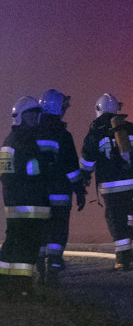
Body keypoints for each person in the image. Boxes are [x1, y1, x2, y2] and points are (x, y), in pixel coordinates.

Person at [79, 93, 133, 270]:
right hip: (132, 182)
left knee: (115, 217)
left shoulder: (96, 133)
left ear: (98, 110)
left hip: (111, 184)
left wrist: (82, 180)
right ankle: (128, 242)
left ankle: (122, 257)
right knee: (127, 209)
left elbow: (87, 161)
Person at [0, 97, 51, 299]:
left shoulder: (10, 141)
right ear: (20, 116)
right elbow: (32, 170)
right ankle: (22, 288)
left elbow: (6, 175)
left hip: (15, 204)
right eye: (30, 114)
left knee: (12, 244)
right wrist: (44, 164)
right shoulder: (25, 141)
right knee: (27, 248)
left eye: (36, 114)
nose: (34, 118)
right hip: (29, 203)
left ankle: (6, 285)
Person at [36, 89, 87, 284]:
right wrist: (80, 191)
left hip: (38, 195)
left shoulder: (32, 132)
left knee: (40, 231)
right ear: (58, 108)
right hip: (60, 194)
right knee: (57, 231)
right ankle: (54, 270)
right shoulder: (63, 135)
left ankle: (40, 269)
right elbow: (72, 168)